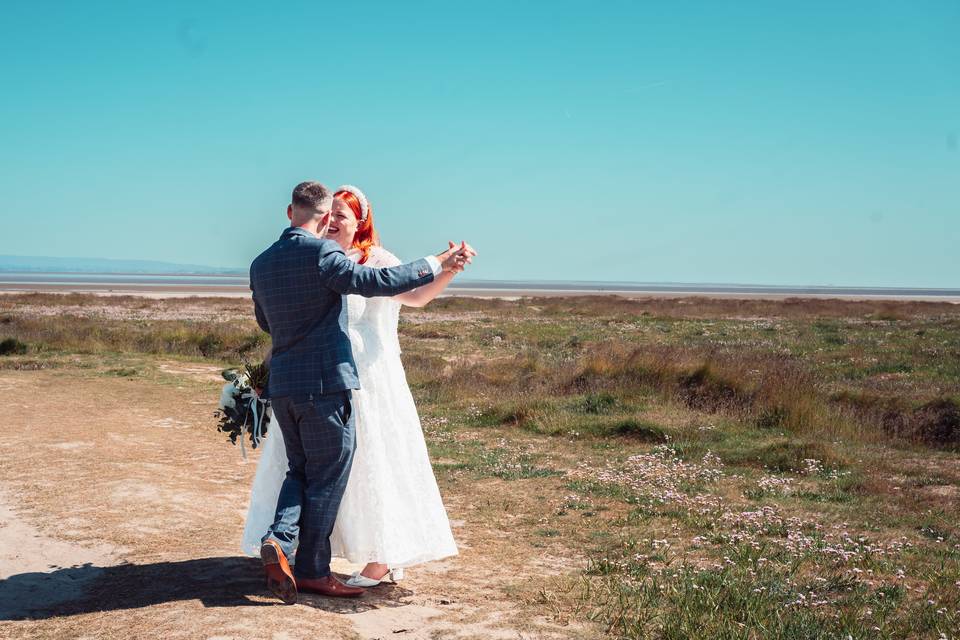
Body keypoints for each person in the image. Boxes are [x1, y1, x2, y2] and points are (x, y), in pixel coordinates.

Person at [246, 181, 475, 603]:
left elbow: (408, 292)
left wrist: (446, 268)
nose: (333, 220)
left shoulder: (269, 261)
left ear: (360, 221)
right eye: (329, 213)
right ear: (316, 214)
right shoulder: (323, 257)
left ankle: (308, 546)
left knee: (328, 469)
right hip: (330, 380)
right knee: (326, 473)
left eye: (342, 215)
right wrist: (436, 258)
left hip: (363, 376)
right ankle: (309, 563)